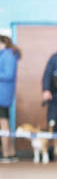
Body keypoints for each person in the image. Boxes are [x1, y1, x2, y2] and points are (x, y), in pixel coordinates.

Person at [0, 35, 21, 163]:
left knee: (4, 125)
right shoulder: (7, 54)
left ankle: (7, 154)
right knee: (5, 124)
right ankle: (10, 152)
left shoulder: (7, 55)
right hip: (4, 93)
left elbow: (8, 74)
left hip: (2, 94)